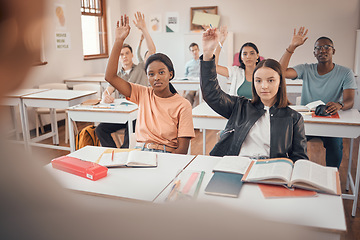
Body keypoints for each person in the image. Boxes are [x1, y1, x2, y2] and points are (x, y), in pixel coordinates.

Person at [200, 28, 308, 161]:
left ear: (280, 82)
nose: (264, 86)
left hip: (270, 170)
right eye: (258, 80)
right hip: (238, 166)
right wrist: (208, 53)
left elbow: (299, 159)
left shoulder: (294, 118)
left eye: (270, 80)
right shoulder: (240, 107)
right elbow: (211, 93)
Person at [105, 15, 195, 154]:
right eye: (151, 74)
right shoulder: (142, 93)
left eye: (161, 72)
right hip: (139, 154)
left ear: (170, 74)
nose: (156, 78)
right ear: (147, 76)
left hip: (166, 155)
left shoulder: (183, 104)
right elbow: (110, 77)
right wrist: (118, 40)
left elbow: (182, 151)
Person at [279, 27, 357, 168]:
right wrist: (291, 47)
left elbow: (350, 101)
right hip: (306, 121)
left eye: (327, 47)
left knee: (335, 146)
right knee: (291, 143)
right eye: (318, 48)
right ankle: (297, 173)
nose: (322, 50)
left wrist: (340, 105)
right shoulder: (307, 69)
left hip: (330, 120)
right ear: (314, 53)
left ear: (333, 51)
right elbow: (281, 72)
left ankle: (332, 177)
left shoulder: (346, 73)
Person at [95, 11, 155, 149]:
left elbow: (152, 51)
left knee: (131, 129)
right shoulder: (117, 75)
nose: (124, 56)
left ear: (132, 54)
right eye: (121, 54)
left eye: (127, 53)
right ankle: (114, 154)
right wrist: (105, 96)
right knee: (100, 129)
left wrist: (144, 29)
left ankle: (124, 154)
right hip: (123, 115)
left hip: (139, 115)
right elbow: (108, 90)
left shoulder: (141, 67)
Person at [214, 26, 261, 98]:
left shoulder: (263, 73)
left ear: (257, 56)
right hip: (238, 108)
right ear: (241, 58)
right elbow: (215, 67)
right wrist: (221, 42)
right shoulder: (236, 71)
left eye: (252, 53)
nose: (248, 56)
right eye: (245, 54)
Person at [184, 42, 201, 107]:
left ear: (198, 50)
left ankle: (195, 112)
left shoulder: (203, 62)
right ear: (190, 52)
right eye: (192, 50)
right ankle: (190, 111)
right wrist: (184, 92)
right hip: (191, 86)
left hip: (200, 86)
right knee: (188, 94)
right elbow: (185, 77)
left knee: (199, 95)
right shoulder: (188, 64)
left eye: (196, 50)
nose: (194, 52)